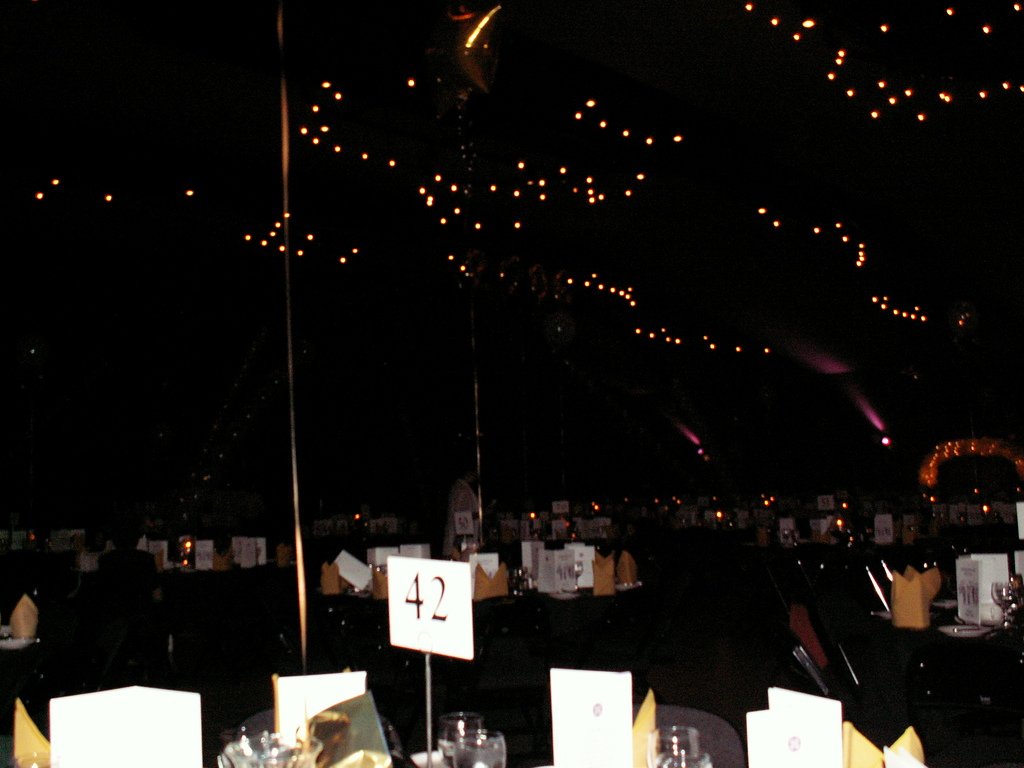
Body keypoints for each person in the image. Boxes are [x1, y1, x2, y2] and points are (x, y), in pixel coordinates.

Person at [442, 469, 479, 558]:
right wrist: (479, 515)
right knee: (465, 560)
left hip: (462, 537)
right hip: (462, 538)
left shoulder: (460, 488)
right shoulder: (461, 490)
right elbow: (460, 516)